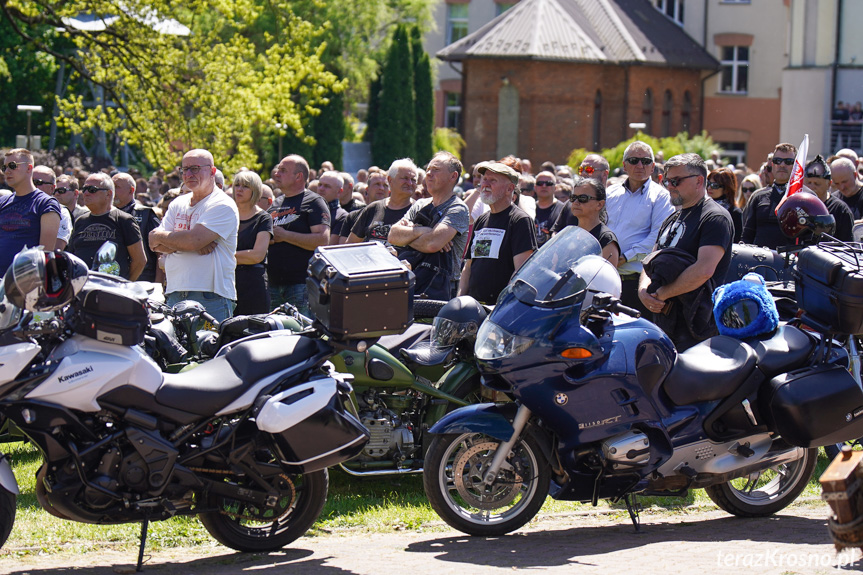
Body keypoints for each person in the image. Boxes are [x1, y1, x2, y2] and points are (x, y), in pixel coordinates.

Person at [639, 153, 733, 351]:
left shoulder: (715, 218)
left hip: (694, 327)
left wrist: (662, 294)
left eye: (675, 181)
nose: (669, 186)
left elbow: (704, 270)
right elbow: (651, 259)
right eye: (666, 181)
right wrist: (643, 291)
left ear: (699, 181)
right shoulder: (672, 218)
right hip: (664, 321)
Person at [149, 149, 239, 323]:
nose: (188, 174)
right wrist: (189, 242)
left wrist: (187, 241)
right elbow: (154, 242)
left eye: (195, 168)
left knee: (208, 350)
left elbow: (192, 240)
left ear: (212, 171)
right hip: (175, 293)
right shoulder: (178, 203)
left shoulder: (222, 204)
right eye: (185, 169)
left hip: (210, 297)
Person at [605, 142, 675, 316]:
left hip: (636, 283)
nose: (640, 165)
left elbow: (659, 237)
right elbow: (600, 228)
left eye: (645, 161)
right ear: (624, 166)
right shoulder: (610, 193)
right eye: (634, 160)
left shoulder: (661, 197)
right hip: (605, 278)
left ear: (653, 166)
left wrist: (625, 257)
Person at [389, 152, 469, 300]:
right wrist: (425, 230)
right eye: (428, 170)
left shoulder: (457, 209)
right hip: (410, 282)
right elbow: (393, 236)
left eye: (436, 170)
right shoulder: (419, 204)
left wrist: (408, 236)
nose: (429, 174)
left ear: (453, 176)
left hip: (440, 290)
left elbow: (432, 244)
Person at [458, 161, 537, 305]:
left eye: (493, 180)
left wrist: (502, 305)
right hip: (473, 307)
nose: (485, 184)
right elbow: (468, 266)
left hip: (499, 311)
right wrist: (460, 299)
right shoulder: (482, 220)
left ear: (509, 189)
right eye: (484, 179)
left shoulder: (520, 221)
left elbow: (521, 271)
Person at [266, 154, 330, 315]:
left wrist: (285, 235)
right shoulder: (276, 203)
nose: (276, 174)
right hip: (273, 283)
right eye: (278, 169)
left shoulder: (314, 202)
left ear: (298, 176)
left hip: (300, 285)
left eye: (283, 170)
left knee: (299, 334)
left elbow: (322, 239)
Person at [70, 172, 147, 281]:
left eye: (92, 189)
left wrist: (125, 284)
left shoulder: (123, 220)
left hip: (111, 291)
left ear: (108, 194)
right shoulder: (80, 221)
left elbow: (139, 260)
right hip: (83, 289)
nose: (86, 193)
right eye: (84, 189)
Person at [0, 148, 62, 275]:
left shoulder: (45, 203)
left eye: (12, 166)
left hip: (25, 282)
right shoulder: (2, 202)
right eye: (4, 167)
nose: (7, 171)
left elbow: (45, 255)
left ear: (29, 168)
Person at [232, 171, 274, 315]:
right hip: (228, 282)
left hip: (253, 284)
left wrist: (223, 256)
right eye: (237, 185)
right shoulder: (227, 215)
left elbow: (257, 255)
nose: (239, 189)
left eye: (245, 186)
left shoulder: (264, 218)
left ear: (255, 190)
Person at [742, 143, 797, 249]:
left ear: (796, 165)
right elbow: (746, 236)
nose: (782, 165)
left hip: (792, 263)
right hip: (759, 262)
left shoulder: (806, 198)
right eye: (777, 161)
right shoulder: (758, 197)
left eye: (788, 162)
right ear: (772, 165)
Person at [348, 159, 414, 247]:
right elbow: (351, 244)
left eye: (413, 179)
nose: (409, 183)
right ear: (390, 180)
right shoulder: (373, 208)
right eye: (405, 178)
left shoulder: (419, 211)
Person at [113, 172, 162, 282]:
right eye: (111, 187)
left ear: (131, 190)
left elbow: (160, 254)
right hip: (113, 279)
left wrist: (157, 286)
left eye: (117, 187)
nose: (112, 191)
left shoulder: (145, 214)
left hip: (143, 280)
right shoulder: (106, 215)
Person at [804, 155, 853, 242]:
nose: (812, 187)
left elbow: (847, 244)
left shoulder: (840, 209)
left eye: (817, 183)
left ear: (829, 184)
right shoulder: (797, 205)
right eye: (809, 182)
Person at [571, 177, 620, 265]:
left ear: (599, 204)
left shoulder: (606, 239)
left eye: (583, 198)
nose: (575, 202)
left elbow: (606, 277)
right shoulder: (570, 234)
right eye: (573, 197)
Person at [32, 165, 73, 250]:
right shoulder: (18, 206)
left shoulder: (61, 212)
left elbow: (56, 249)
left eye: (38, 182)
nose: (33, 186)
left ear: (52, 188)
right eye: (30, 182)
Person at [706, 167, 743, 243]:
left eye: (714, 185)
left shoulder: (735, 213)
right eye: (708, 184)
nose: (709, 188)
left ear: (726, 189)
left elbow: (736, 242)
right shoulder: (702, 207)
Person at [533, 170, 564, 247]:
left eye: (549, 183)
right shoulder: (528, 208)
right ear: (535, 187)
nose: (544, 186)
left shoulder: (563, 210)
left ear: (555, 187)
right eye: (540, 183)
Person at [317, 171, 349, 245]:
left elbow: (328, 246)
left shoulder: (342, 217)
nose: (321, 188)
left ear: (339, 192)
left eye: (327, 186)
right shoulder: (309, 210)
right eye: (320, 185)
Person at [831, 157, 863, 222]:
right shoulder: (834, 200)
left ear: (855, 175)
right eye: (837, 183)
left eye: (844, 182)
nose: (842, 187)